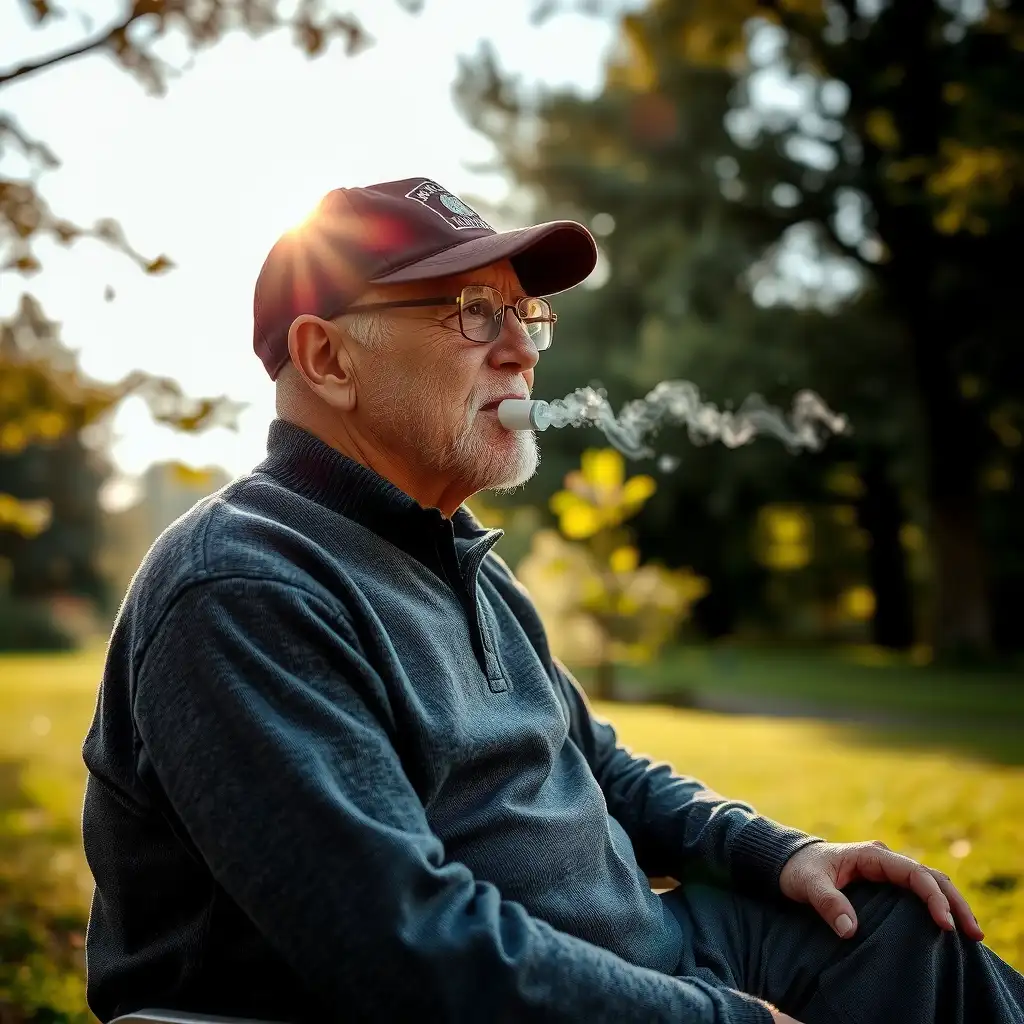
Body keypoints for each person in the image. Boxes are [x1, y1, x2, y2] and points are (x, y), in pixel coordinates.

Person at [81, 178, 1024, 1024]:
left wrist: (774, 852)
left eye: (522, 315)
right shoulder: (244, 589)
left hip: (656, 955)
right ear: (327, 358)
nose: (519, 353)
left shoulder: (464, 561)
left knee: (903, 929)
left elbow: (595, 765)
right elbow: (405, 948)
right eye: (469, 311)